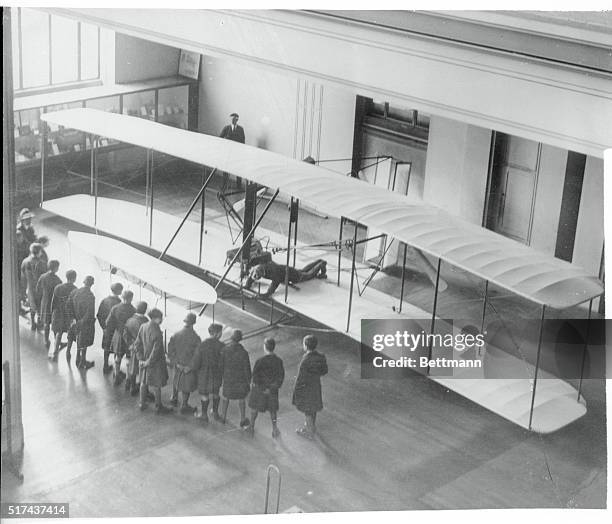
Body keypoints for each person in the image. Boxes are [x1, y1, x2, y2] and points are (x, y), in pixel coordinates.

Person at [246, 338, 285, 438]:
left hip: (260, 390)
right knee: (273, 411)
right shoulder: (279, 361)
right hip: (272, 391)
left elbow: (255, 376)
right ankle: (275, 429)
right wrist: (272, 388)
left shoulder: (260, 361)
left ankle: (251, 426)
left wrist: (263, 388)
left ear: (264, 347)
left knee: (254, 408)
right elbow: (281, 377)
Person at [134, 308, 170, 413]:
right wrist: (148, 362)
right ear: (157, 318)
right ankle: (159, 406)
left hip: (144, 360)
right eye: (161, 318)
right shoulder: (157, 332)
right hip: (155, 363)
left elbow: (137, 344)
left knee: (143, 382)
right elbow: (156, 351)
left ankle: (142, 403)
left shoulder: (143, 326)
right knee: (156, 384)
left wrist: (141, 359)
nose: (162, 319)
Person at [292, 335, 328, 439]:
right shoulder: (321, 357)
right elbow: (324, 371)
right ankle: (311, 427)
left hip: (306, 387)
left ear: (306, 346)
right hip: (316, 385)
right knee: (313, 407)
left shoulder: (305, 360)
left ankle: (309, 432)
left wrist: (296, 390)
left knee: (307, 409)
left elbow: (300, 377)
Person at [167, 313, 201, 414]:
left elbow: (170, 351)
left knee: (176, 380)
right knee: (186, 385)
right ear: (194, 323)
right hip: (188, 367)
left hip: (178, 365)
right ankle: (184, 405)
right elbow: (198, 355)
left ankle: (174, 398)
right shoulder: (196, 338)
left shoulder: (176, 334)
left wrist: (176, 363)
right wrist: (190, 367)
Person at [191, 323, 225, 423]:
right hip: (217, 374)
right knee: (215, 393)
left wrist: (195, 370)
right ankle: (215, 413)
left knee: (204, 394)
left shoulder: (202, 345)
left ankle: (204, 415)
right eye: (220, 332)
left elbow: (196, 362)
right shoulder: (222, 346)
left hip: (204, 374)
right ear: (217, 333)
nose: (221, 334)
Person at [244, 259, 328, 299]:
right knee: (303, 271)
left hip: (292, 276)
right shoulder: (259, 268)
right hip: (288, 269)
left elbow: (275, 283)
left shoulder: (273, 272)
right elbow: (252, 276)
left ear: (261, 273)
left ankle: (321, 265)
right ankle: (318, 261)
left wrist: (267, 294)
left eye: (258, 277)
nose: (257, 278)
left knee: (308, 275)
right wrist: (247, 285)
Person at [219, 329, 252, 428]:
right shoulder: (244, 352)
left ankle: (223, 417)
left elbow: (220, 366)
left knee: (226, 397)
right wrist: (248, 380)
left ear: (231, 338)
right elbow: (247, 368)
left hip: (228, 379)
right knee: (241, 399)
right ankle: (242, 419)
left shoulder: (225, 350)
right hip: (240, 380)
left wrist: (221, 377)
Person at [106, 290, 136, 386]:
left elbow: (108, 323)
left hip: (118, 336)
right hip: (129, 337)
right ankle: (128, 380)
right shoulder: (133, 310)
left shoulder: (115, 308)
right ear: (131, 298)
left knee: (118, 357)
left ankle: (116, 376)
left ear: (122, 297)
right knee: (129, 359)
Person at [67, 275, 96, 370]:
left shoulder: (75, 292)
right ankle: (81, 361)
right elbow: (90, 313)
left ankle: (74, 357)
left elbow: (68, 306)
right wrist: (82, 322)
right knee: (84, 342)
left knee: (75, 339)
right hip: (84, 323)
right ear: (92, 284)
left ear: (83, 282)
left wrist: (72, 319)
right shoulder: (91, 296)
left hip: (74, 321)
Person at [50, 270, 78, 362]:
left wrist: (52, 313)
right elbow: (75, 305)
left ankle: (55, 353)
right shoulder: (75, 290)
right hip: (68, 314)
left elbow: (53, 302)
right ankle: (68, 352)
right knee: (70, 334)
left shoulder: (58, 287)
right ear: (74, 278)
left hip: (58, 313)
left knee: (58, 333)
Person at [97, 282, 123, 374]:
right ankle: (116, 371)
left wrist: (103, 327)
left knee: (106, 347)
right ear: (119, 291)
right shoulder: (120, 302)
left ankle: (105, 365)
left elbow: (99, 315)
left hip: (107, 329)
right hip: (116, 330)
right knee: (116, 348)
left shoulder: (104, 300)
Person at [123, 301, 149, 396]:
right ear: (145, 310)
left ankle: (132, 387)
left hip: (134, 348)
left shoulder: (130, 320)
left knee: (133, 368)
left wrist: (131, 345)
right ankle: (145, 390)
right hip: (143, 349)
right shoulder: (146, 320)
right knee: (144, 370)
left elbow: (125, 334)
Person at [36, 259, 62, 351]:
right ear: (55, 268)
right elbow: (60, 294)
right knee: (55, 323)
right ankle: (56, 340)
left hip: (44, 303)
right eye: (58, 267)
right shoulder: (57, 280)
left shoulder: (42, 277)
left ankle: (46, 340)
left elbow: (38, 290)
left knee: (46, 323)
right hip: (54, 305)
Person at [21, 242, 48, 331]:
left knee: (32, 306)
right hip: (39, 289)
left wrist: (23, 291)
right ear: (39, 252)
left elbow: (23, 277)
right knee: (40, 306)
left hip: (29, 288)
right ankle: (39, 324)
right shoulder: (42, 263)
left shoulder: (25, 261)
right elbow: (45, 277)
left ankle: (32, 323)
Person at [219, 112, 245, 189]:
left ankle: (239, 185)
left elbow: (243, 141)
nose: (233, 120)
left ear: (237, 120)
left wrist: (241, 151)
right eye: (231, 119)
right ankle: (224, 185)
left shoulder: (240, 129)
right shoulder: (226, 128)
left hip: (237, 153)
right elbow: (220, 138)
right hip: (227, 152)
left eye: (234, 119)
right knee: (226, 168)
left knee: (238, 168)